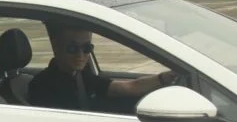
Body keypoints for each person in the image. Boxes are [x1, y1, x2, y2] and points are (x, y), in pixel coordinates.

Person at [28, 23, 179, 111]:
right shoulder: (42, 85)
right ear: (56, 47)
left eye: (87, 48)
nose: (80, 55)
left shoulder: (82, 76)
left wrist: (163, 78)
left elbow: (128, 87)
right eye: (72, 48)